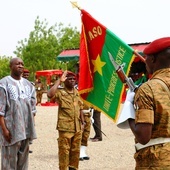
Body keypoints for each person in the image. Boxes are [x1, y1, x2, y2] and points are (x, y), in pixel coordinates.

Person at [127, 37, 170, 169]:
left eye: (146, 58)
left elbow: (143, 136)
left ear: (153, 60)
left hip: (157, 162)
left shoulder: (148, 89)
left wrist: (128, 114)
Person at [0, 57, 37, 170]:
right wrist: (4, 130)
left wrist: (31, 126)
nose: (20, 66)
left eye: (22, 64)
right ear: (10, 66)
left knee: (23, 161)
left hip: (25, 130)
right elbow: (0, 110)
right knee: (9, 162)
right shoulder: (3, 84)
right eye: (17, 64)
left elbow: (33, 109)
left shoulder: (29, 85)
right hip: (11, 130)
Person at [47, 70, 85, 170]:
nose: (72, 81)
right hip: (65, 129)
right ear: (65, 80)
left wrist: (83, 122)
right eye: (69, 79)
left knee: (75, 153)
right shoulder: (60, 93)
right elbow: (50, 95)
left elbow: (80, 107)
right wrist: (59, 80)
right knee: (64, 153)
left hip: (77, 128)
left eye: (74, 79)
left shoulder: (76, 92)